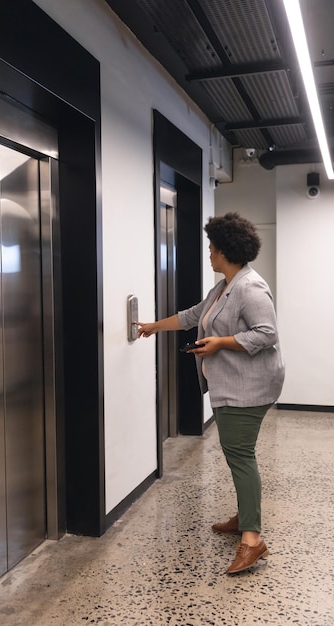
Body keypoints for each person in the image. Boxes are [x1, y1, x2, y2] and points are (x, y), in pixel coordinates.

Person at [137, 212, 285, 575]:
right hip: (231, 385)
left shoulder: (250, 288)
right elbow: (193, 315)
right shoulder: (223, 287)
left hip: (249, 387)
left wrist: (221, 343)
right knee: (237, 454)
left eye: (211, 248)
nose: (208, 253)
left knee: (240, 455)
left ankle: (252, 539)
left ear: (224, 251)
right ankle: (244, 514)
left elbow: (267, 334)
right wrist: (155, 326)